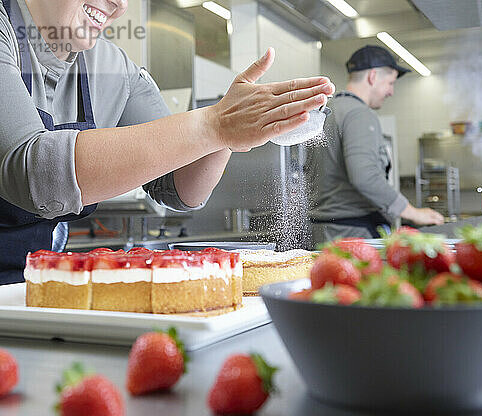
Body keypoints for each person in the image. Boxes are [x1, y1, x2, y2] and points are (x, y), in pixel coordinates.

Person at [0, 0, 334, 284]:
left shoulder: (114, 68)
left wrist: (229, 135)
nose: (119, 5)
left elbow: (176, 187)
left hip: (30, 283)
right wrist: (214, 124)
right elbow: (32, 175)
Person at [306, 45, 444, 243]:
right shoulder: (359, 114)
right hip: (351, 236)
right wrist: (411, 211)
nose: (391, 91)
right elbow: (364, 175)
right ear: (372, 77)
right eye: (390, 83)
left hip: (323, 231)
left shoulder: (326, 112)